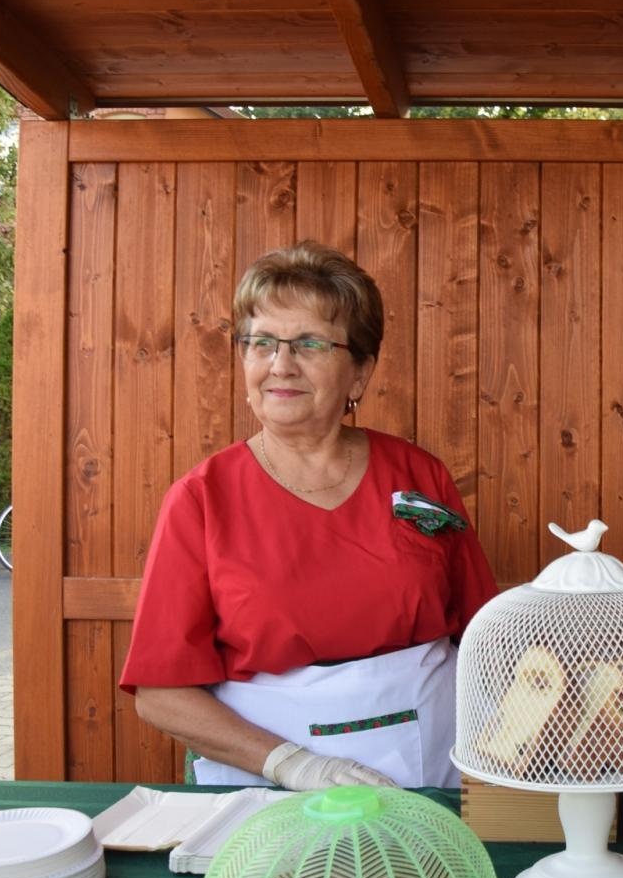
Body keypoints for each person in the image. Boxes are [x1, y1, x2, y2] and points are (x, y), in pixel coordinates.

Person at [120, 241, 497, 790]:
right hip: (265, 788)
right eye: (261, 343)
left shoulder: (419, 475)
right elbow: (160, 693)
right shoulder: (201, 499)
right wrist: (292, 765)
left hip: (430, 773)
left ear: (359, 372)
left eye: (310, 343)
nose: (281, 365)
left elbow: (485, 639)